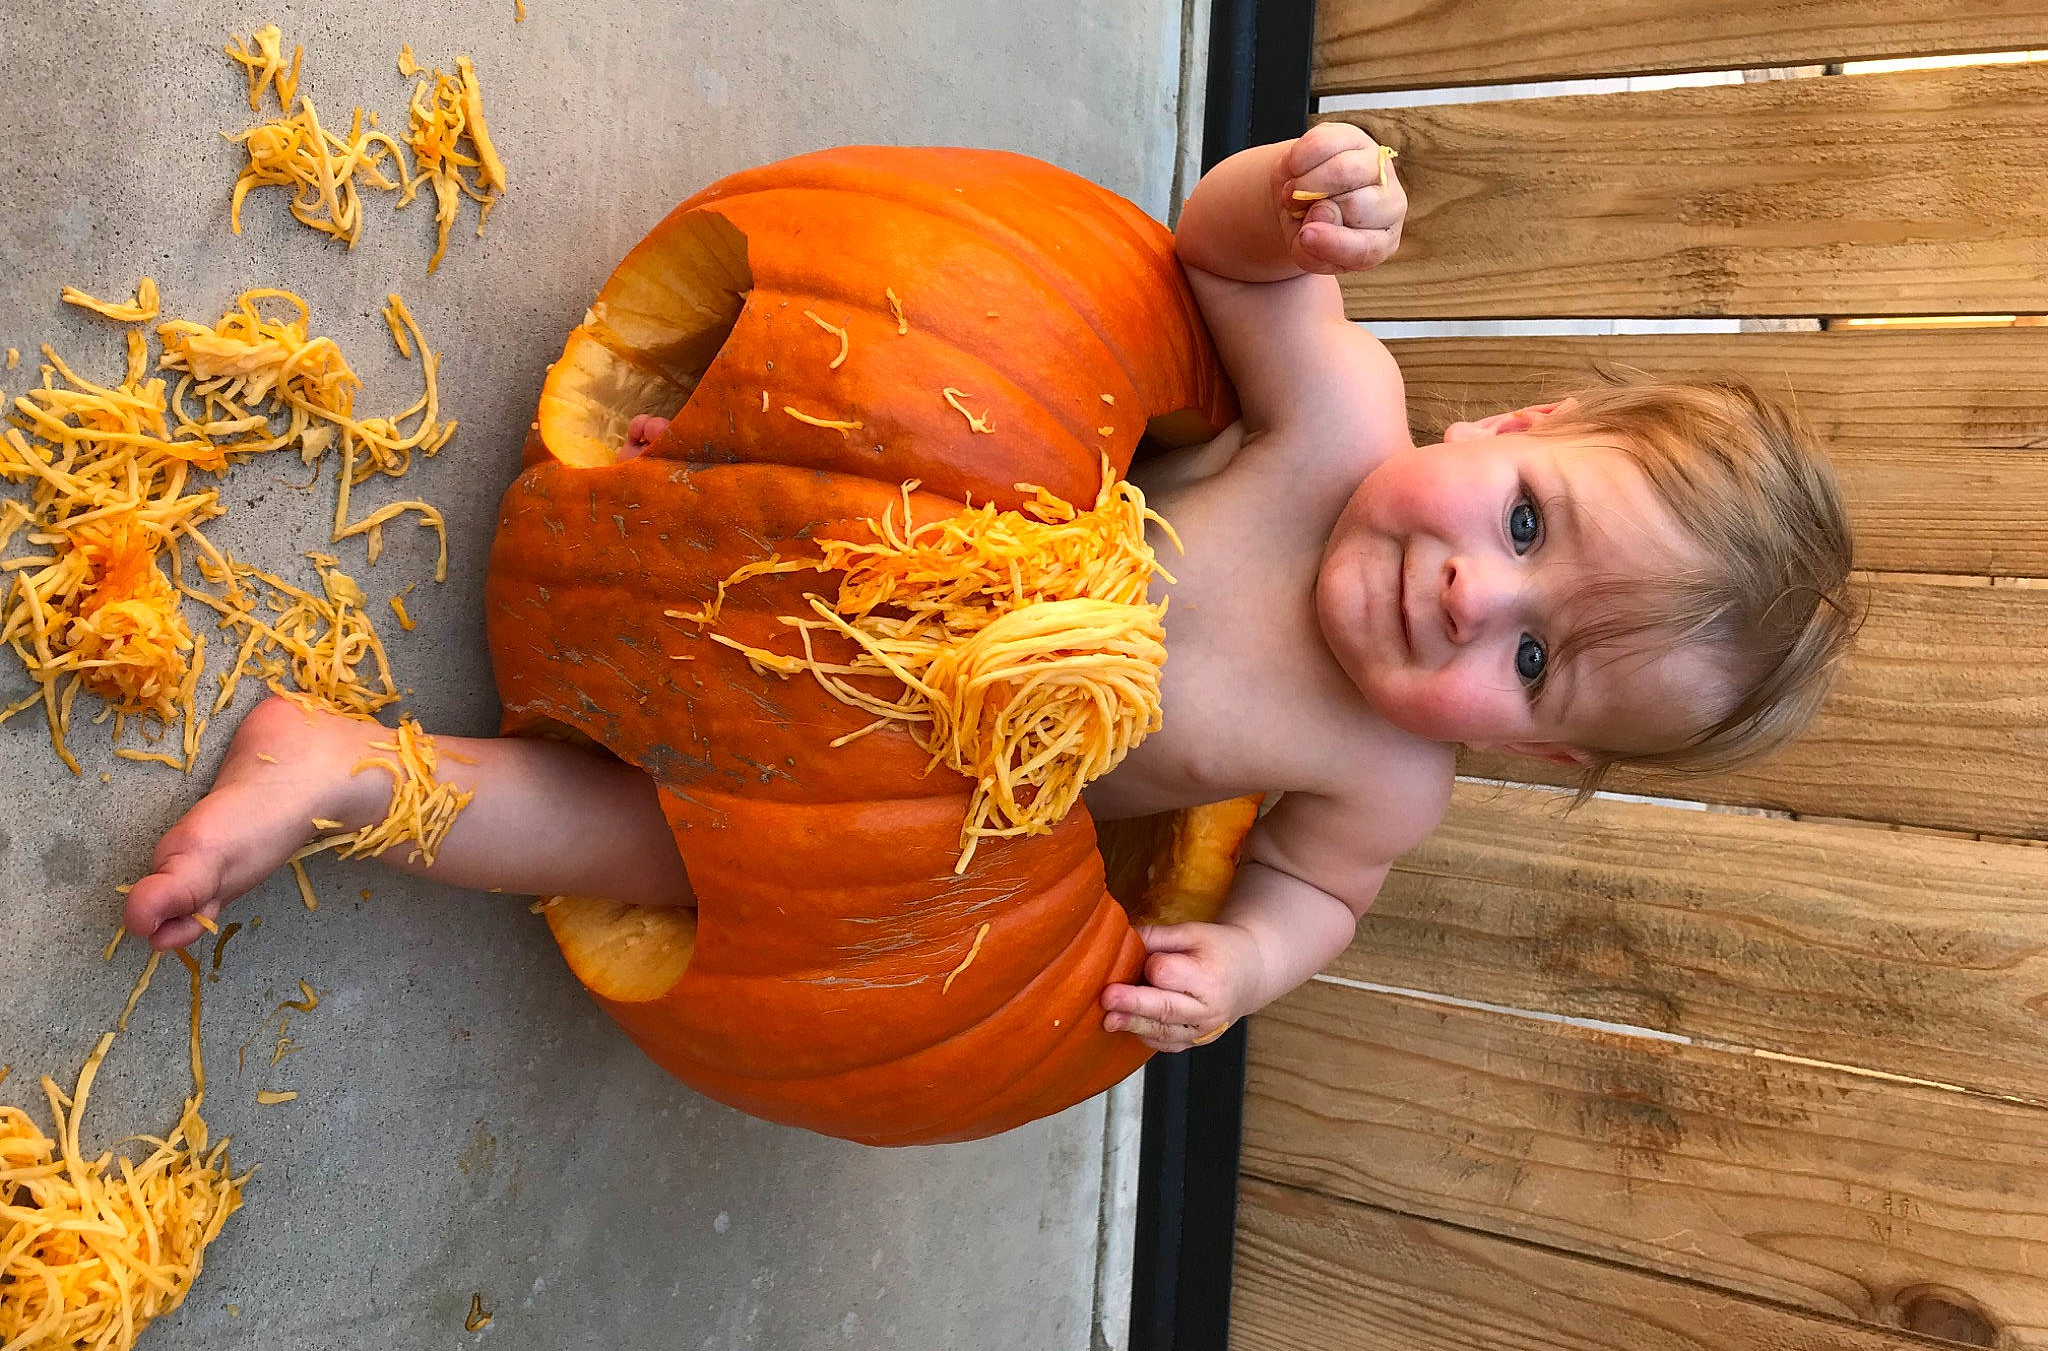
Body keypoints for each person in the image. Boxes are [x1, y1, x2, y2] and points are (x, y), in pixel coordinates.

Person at [123, 124, 1858, 1057]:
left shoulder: (1384, 779)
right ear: (1516, 427)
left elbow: (1314, 897)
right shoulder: (1341, 418)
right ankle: (680, 483)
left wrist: (1245, 968)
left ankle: (355, 775)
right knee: (867, 423)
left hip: (873, 796)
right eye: (1531, 525)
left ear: (1535, 754)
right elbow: (1212, 253)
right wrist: (1297, 202)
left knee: (664, 855)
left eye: (1538, 663)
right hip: (857, 543)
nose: (1472, 596)